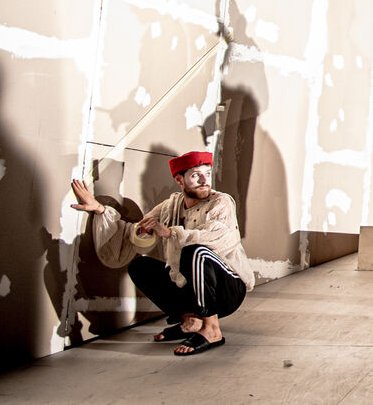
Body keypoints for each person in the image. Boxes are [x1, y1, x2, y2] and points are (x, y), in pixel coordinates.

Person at [68, 150, 253, 356]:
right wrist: (100, 210)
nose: (204, 181)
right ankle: (191, 320)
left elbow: (219, 235)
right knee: (140, 266)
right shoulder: (170, 206)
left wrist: (169, 232)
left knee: (195, 251)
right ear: (179, 180)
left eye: (207, 174)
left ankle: (212, 329)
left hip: (226, 290)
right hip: (191, 290)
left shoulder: (221, 201)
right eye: (196, 175)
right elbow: (134, 232)